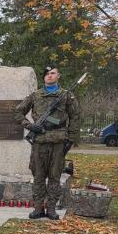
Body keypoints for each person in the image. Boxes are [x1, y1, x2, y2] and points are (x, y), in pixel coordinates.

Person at [15, 66, 80, 220]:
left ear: (58, 75)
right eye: (46, 74)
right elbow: (18, 112)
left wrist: (71, 139)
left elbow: (75, 117)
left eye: (52, 73)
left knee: (54, 176)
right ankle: (38, 208)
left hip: (58, 141)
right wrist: (30, 126)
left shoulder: (67, 96)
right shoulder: (35, 95)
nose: (49, 76)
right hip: (40, 141)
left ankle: (51, 208)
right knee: (38, 176)